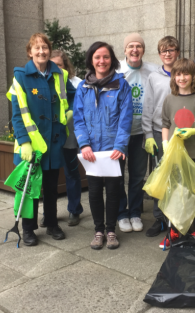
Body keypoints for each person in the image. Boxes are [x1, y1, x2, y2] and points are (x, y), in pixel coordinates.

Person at [8, 33, 76, 246]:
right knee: (30, 188)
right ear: (30, 52)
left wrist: (71, 112)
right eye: (36, 48)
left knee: (51, 186)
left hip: (54, 141)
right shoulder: (20, 77)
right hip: (31, 145)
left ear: (49, 50)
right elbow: (17, 114)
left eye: (45, 47)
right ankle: (28, 229)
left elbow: (74, 96)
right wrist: (25, 142)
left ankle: (53, 223)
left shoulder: (60, 75)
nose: (41, 51)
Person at [73, 42, 133, 250]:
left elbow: (126, 118)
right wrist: (84, 144)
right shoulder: (83, 87)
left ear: (112, 59)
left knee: (114, 191)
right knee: (95, 192)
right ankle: (98, 231)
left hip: (113, 150)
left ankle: (111, 230)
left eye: (106, 57)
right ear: (91, 59)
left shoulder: (121, 85)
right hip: (92, 152)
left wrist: (120, 146)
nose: (102, 61)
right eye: (97, 57)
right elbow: (79, 119)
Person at [160, 58, 195, 249]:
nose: (182, 78)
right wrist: (165, 143)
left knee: (194, 191)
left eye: (186, 74)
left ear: (193, 77)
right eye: (178, 74)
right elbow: (165, 123)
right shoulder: (169, 99)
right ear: (173, 77)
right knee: (175, 191)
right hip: (175, 154)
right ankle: (174, 229)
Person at [37, 50, 83, 227]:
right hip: (50, 139)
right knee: (49, 178)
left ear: (66, 66)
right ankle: (49, 214)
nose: (56, 67)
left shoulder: (76, 83)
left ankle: (74, 209)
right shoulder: (45, 81)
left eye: (60, 64)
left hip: (69, 137)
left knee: (72, 174)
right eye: (52, 64)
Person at [117, 33, 157, 233]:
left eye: (138, 46)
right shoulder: (116, 70)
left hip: (141, 132)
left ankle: (135, 212)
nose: (134, 50)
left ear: (143, 49)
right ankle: (121, 214)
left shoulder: (152, 70)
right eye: (131, 46)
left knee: (137, 176)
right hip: (119, 134)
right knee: (117, 175)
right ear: (125, 50)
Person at [142, 36, 180, 237]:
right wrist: (148, 133)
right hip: (158, 133)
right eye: (164, 50)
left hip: (180, 134)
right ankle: (159, 219)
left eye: (171, 50)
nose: (168, 53)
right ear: (159, 54)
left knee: (178, 178)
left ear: (177, 52)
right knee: (160, 178)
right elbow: (148, 106)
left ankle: (176, 218)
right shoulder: (153, 77)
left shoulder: (185, 73)